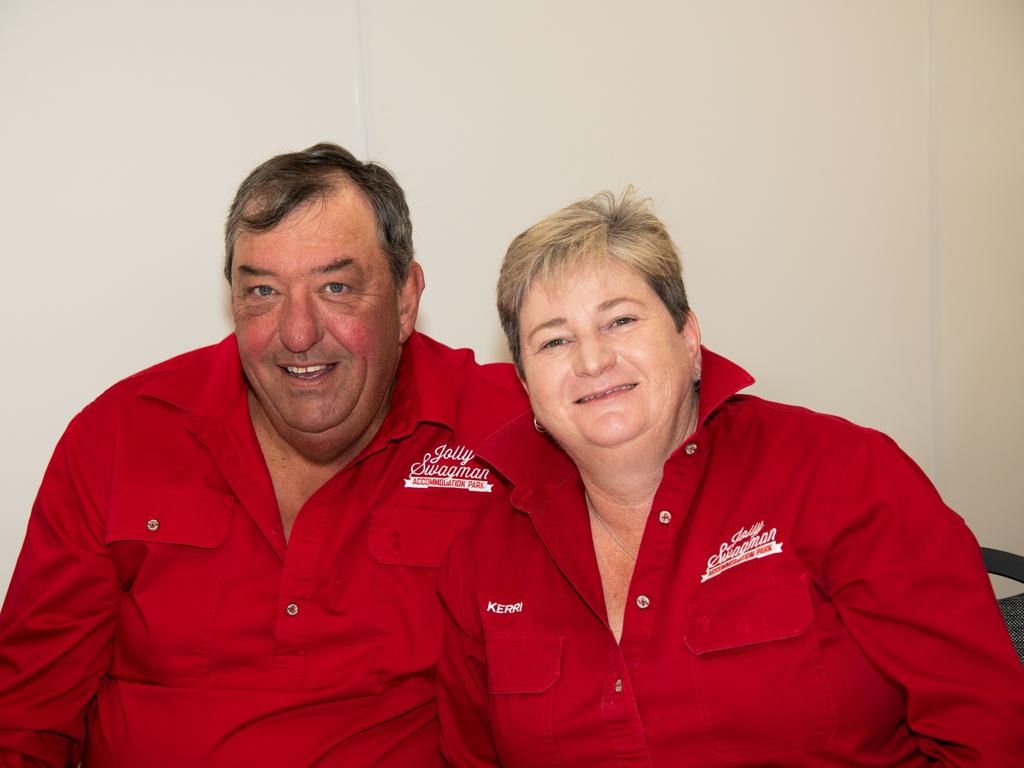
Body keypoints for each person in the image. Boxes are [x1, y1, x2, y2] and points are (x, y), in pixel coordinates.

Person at [436, 189, 1024, 766]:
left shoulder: (842, 476)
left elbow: (990, 730)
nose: (592, 360)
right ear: (525, 385)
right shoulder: (485, 555)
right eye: (555, 340)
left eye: (619, 321)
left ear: (689, 339)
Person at [0, 143, 527, 767]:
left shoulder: (508, 428)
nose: (298, 333)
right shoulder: (119, 437)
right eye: (263, 292)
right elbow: (25, 718)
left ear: (406, 300)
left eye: (336, 287)